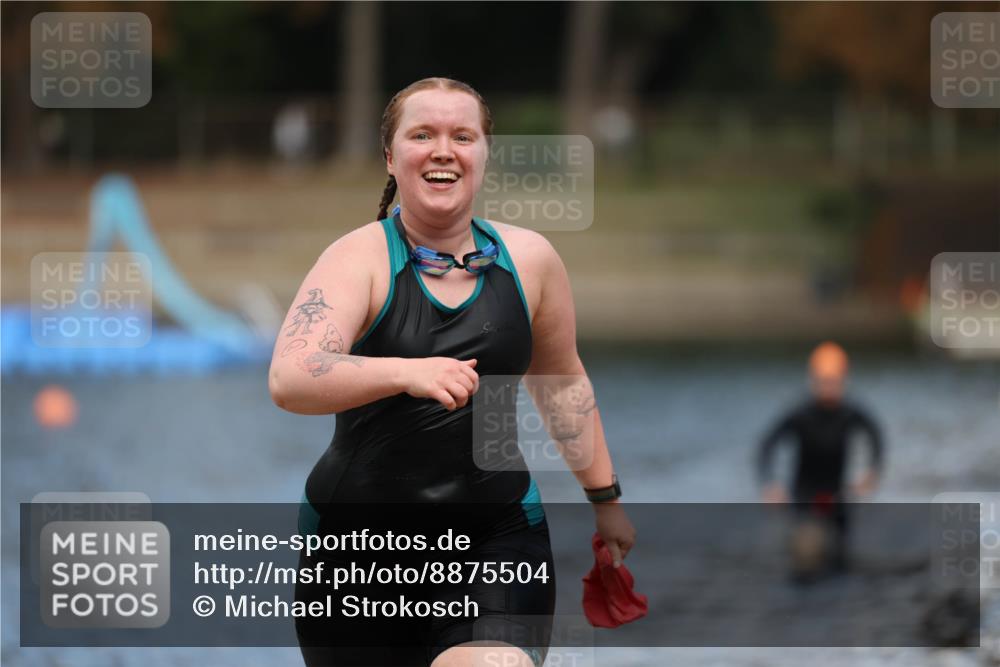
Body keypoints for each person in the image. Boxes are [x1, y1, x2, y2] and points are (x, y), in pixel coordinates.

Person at [268, 77, 635, 667]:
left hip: (497, 535)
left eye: (462, 136)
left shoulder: (531, 260)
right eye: (422, 135)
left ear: (484, 154)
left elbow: (561, 381)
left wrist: (605, 499)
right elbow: (290, 379)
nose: (443, 150)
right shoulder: (357, 259)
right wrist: (405, 373)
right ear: (391, 157)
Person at [757, 341, 884, 573]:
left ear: (844, 380)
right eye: (824, 381)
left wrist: (872, 470)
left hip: (838, 497)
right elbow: (767, 444)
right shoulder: (800, 414)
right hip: (805, 498)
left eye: (835, 381)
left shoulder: (850, 413)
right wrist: (770, 483)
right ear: (813, 380)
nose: (829, 387)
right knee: (806, 558)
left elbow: (875, 435)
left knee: (842, 564)